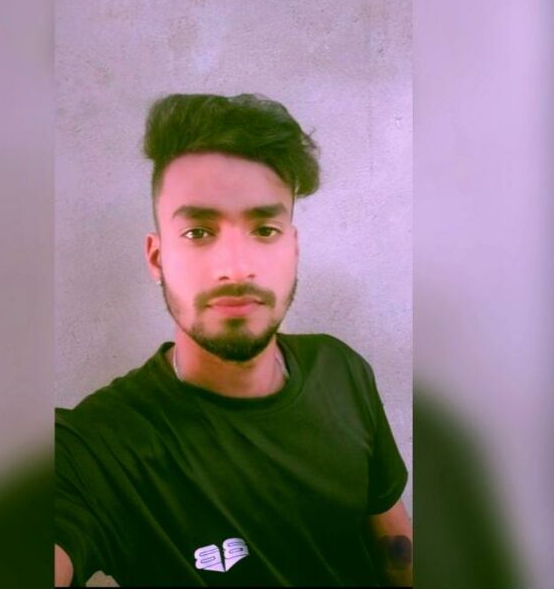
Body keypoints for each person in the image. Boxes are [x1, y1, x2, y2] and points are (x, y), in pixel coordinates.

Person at [55, 93, 412, 587]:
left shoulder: (342, 369)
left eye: (264, 229)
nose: (236, 268)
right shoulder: (99, 447)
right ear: (157, 259)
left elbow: (396, 546)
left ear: (293, 247)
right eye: (199, 233)